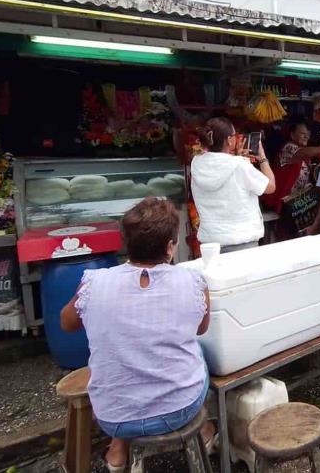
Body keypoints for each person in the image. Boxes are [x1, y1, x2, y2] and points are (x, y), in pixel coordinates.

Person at [60, 198, 215, 471]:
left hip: (113, 416)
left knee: (123, 355)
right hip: (177, 410)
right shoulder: (191, 280)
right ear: (169, 248)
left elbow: (67, 323)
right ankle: (206, 431)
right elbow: (201, 329)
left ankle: (118, 447)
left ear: (125, 243)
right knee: (199, 351)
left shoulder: (95, 282)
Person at [191, 118, 275, 253]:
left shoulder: (196, 163)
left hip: (210, 244)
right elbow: (270, 186)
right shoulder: (238, 165)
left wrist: (237, 158)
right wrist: (263, 158)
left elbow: (221, 167)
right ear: (229, 140)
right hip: (240, 242)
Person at [277, 121, 320, 194]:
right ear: (292, 135)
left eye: (308, 134)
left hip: (301, 197)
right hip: (286, 197)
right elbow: (301, 152)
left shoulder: (304, 150)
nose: (306, 137)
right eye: (303, 134)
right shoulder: (288, 147)